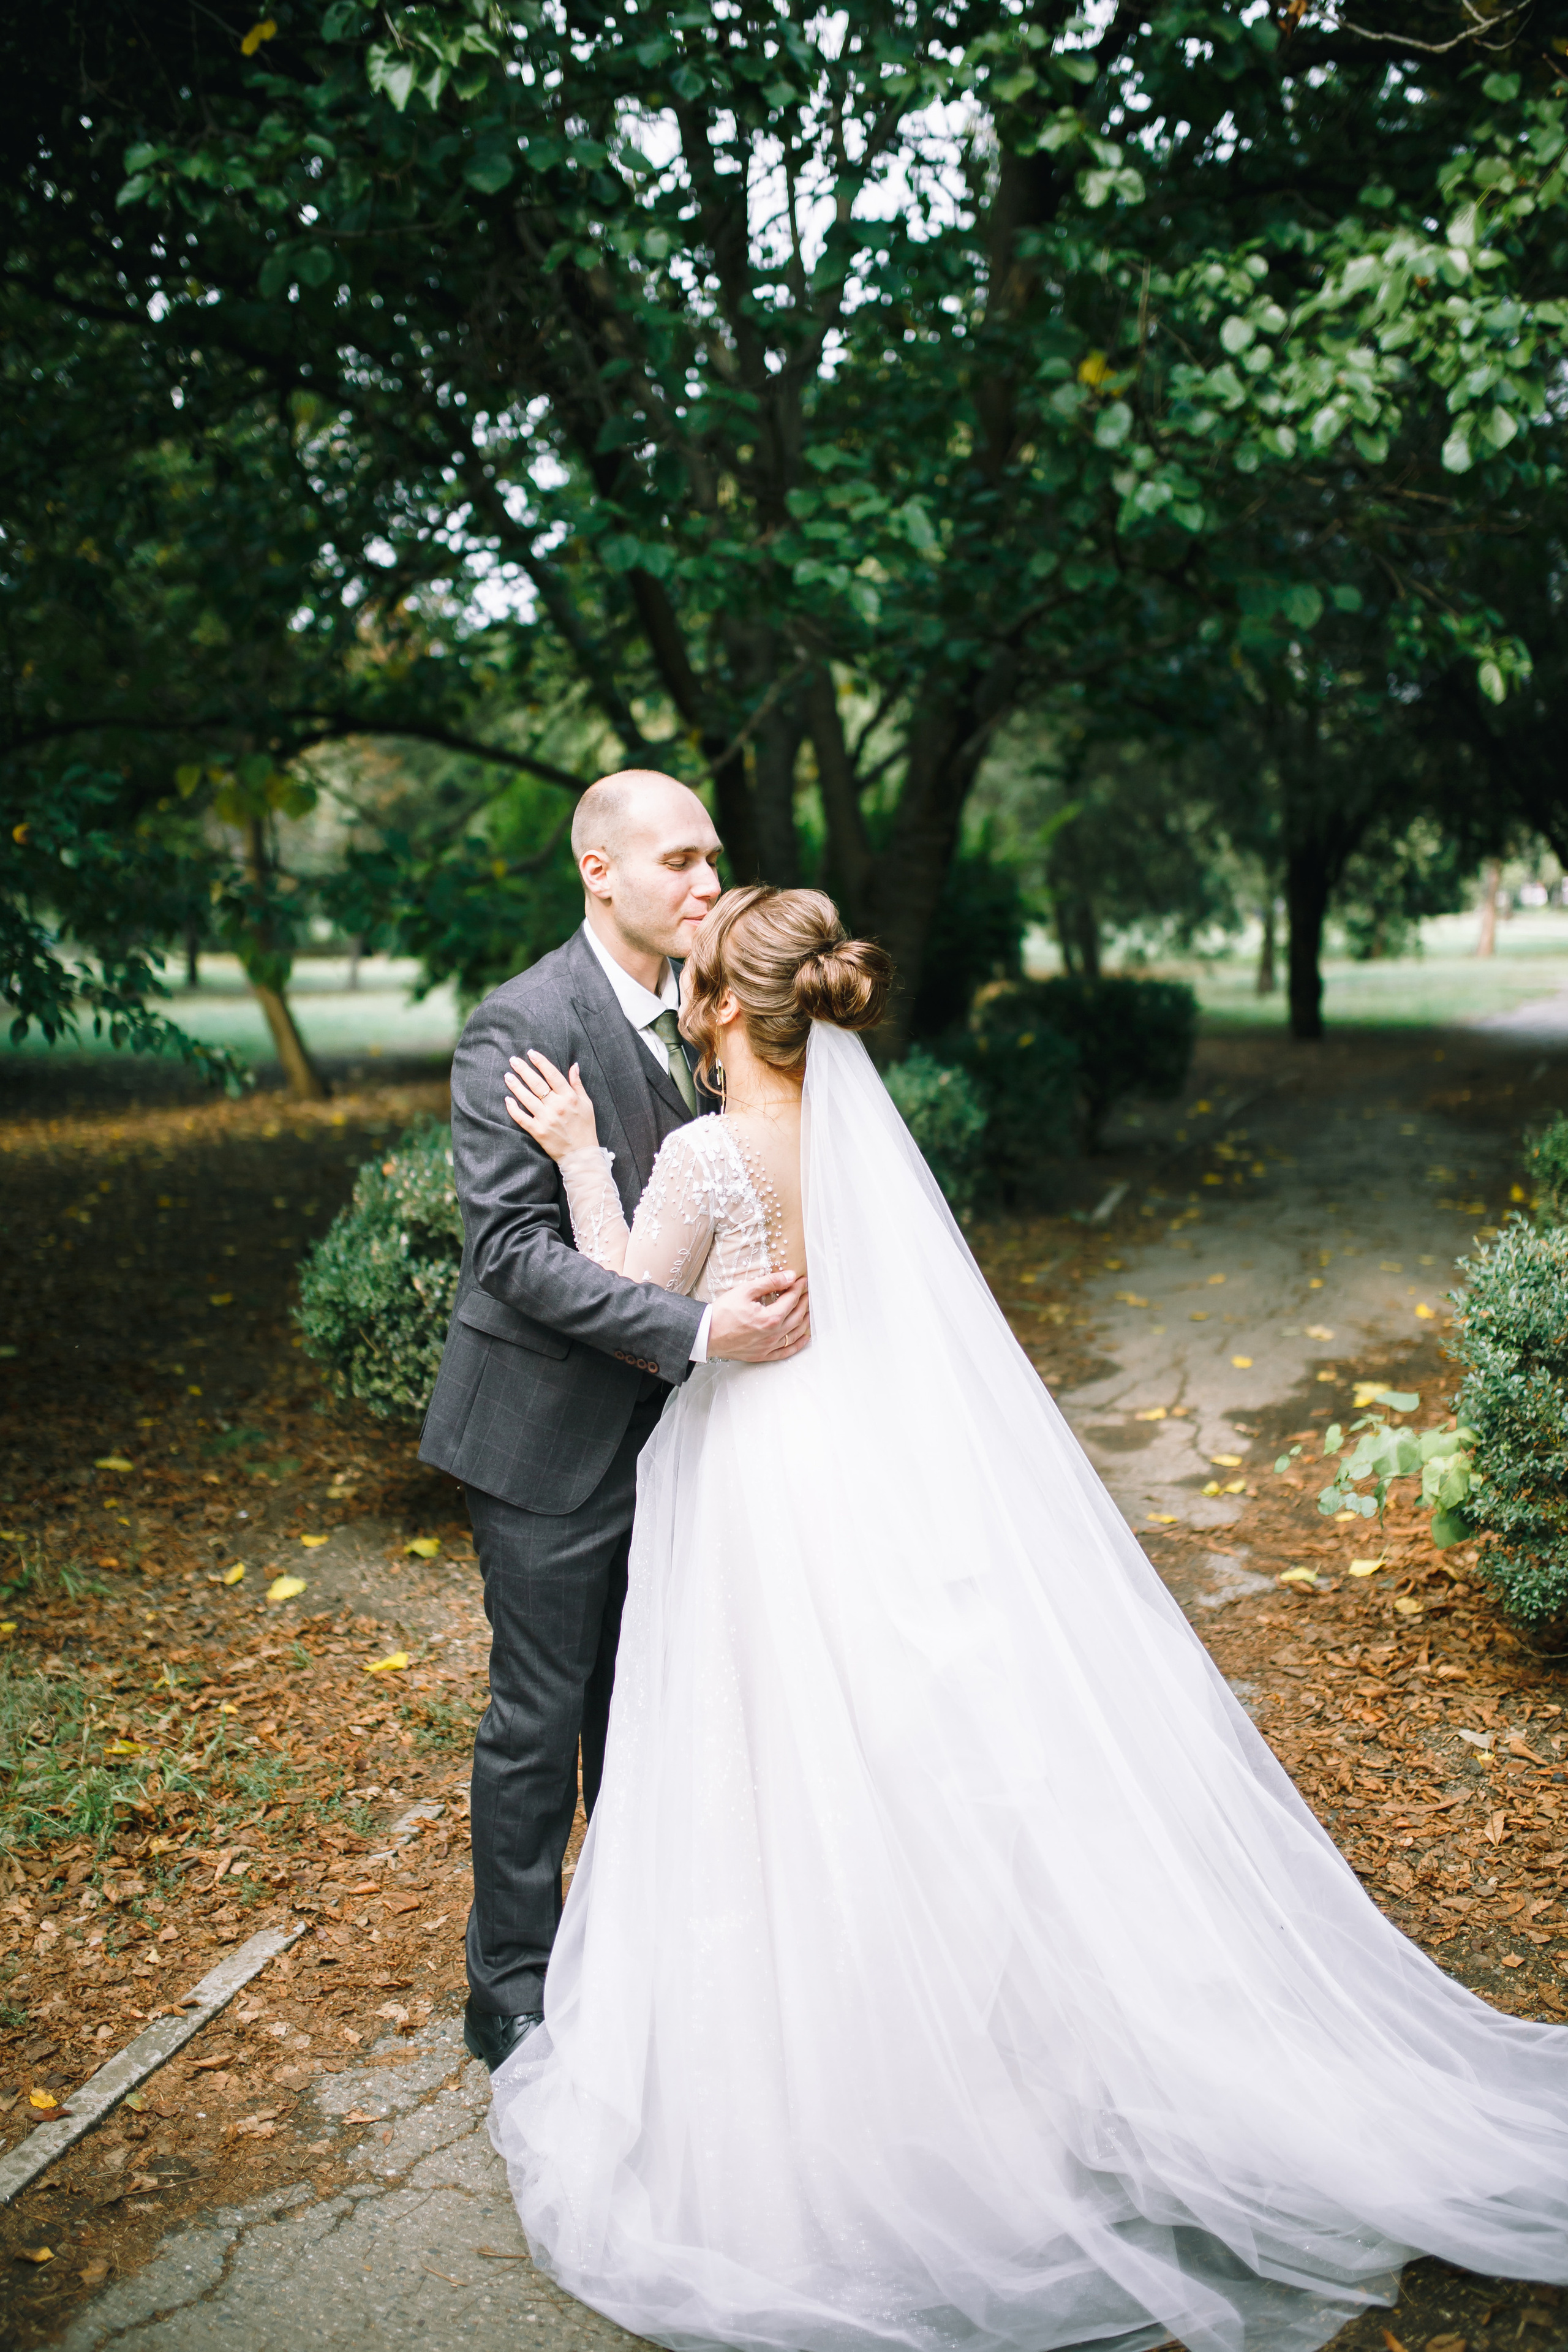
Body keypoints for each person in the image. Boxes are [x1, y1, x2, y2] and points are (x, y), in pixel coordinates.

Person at [488, 881, 1568, 2352]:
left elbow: (625, 1296)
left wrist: (573, 1159)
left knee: (779, 1764)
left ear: (721, 1007)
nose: (679, 996)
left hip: (757, 1478)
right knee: (918, 1756)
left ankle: (825, 2086)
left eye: (691, 976)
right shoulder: (853, 1139)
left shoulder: (702, 1151)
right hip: (881, 1463)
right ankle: (998, 2064)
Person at [418, 771, 811, 2077]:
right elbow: (514, 1256)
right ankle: (511, 1991)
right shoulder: (520, 1025)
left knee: (651, 1712)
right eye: (681, 863)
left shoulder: (725, 1014)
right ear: (601, 870)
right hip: (545, 1440)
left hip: (691, 1444)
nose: (707, 885)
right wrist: (699, 1330)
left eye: (715, 863)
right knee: (541, 1717)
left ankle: (634, 1961)